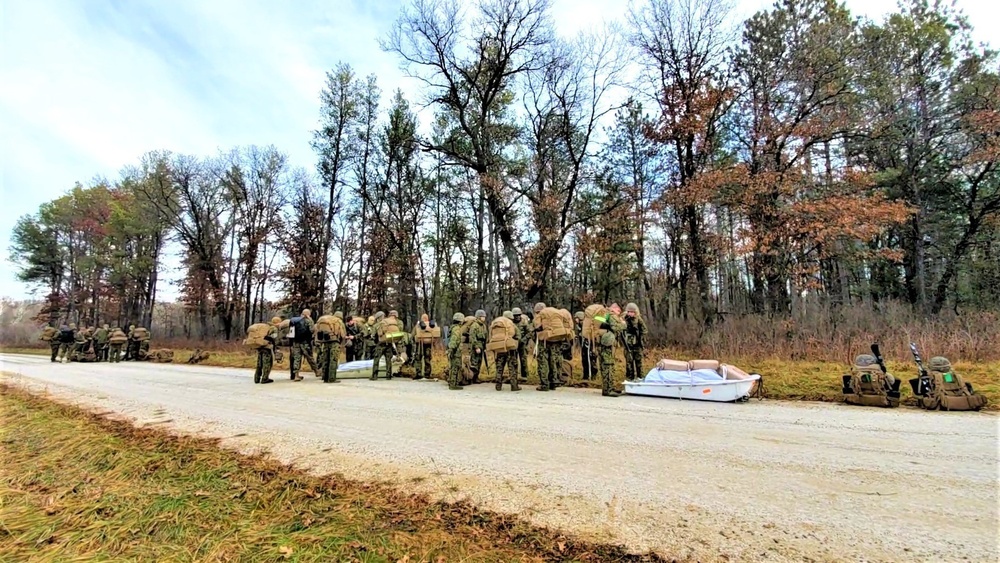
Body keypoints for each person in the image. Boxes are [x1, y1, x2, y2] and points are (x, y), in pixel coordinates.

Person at [598, 304, 625, 397]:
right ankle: (607, 390)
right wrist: (623, 325)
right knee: (608, 366)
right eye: (618, 310)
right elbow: (615, 327)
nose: (619, 312)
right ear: (614, 309)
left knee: (609, 366)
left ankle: (610, 387)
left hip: (607, 344)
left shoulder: (607, 316)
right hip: (607, 345)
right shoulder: (612, 316)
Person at [533, 302, 559, 391]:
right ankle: (553, 382)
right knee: (552, 361)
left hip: (543, 341)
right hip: (553, 339)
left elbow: (537, 327)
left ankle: (544, 384)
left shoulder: (539, 316)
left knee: (543, 362)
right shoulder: (552, 316)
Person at [288, 309, 318, 381]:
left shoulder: (294, 321)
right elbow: (312, 330)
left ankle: (296, 375)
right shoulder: (308, 320)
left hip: (295, 342)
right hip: (305, 342)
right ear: (308, 314)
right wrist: (311, 321)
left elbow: (290, 332)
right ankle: (317, 371)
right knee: (310, 358)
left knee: (297, 358)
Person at [494, 311, 521, 392]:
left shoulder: (496, 324)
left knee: (499, 367)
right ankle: (514, 386)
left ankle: (498, 385)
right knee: (512, 367)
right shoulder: (512, 325)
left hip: (500, 348)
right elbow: (518, 336)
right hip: (510, 349)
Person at [623, 302, 647, 381]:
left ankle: (640, 378)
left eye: (632, 312)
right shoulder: (624, 319)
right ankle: (630, 378)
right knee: (629, 363)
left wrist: (641, 338)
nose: (631, 313)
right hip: (628, 345)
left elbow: (644, 330)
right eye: (629, 312)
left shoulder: (638, 320)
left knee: (639, 363)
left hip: (637, 345)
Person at [254, 317, 281, 384]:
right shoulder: (274, 328)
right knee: (267, 364)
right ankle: (265, 378)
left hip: (260, 346)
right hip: (267, 348)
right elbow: (274, 338)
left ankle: (256, 378)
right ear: (277, 322)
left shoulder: (266, 327)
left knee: (259, 364)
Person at [413, 313, 436, 380]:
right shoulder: (432, 325)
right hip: (429, 344)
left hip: (420, 344)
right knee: (428, 359)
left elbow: (413, 333)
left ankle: (418, 374)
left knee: (418, 358)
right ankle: (427, 374)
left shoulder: (418, 324)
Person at [468, 309, 487, 384]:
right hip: (476, 347)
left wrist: (485, 347)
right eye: (483, 316)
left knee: (479, 362)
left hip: (482, 346)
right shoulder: (474, 325)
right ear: (479, 317)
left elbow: (485, 336)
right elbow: (472, 337)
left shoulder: (483, 326)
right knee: (474, 363)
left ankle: (476, 377)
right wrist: (476, 347)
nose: (484, 318)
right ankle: (471, 378)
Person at [447, 312, 465, 390]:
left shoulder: (453, 328)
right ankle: (453, 384)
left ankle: (453, 382)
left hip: (454, 350)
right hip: (455, 351)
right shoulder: (457, 329)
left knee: (454, 366)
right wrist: (452, 349)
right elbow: (454, 340)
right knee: (455, 367)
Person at [512, 307, 530, 383]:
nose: (517, 317)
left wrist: (524, 340)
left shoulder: (524, 322)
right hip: (514, 343)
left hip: (522, 343)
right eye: (515, 315)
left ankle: (525, 376)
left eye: (518, 315)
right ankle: (514, 376)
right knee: (513, 360)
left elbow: (529, 333)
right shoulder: (510, 322)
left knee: (523, 359)